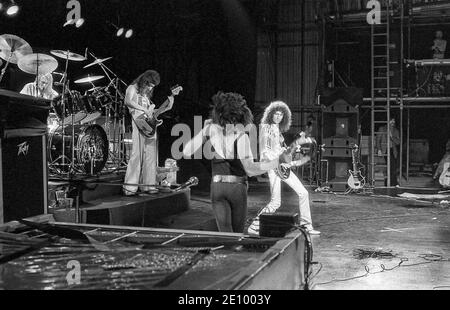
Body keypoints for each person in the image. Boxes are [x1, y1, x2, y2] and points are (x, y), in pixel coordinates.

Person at [182, 91, 278, 233]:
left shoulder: (210, 130)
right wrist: (275, 163)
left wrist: (203, 131)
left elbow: (186, 152)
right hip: (236, 188)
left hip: (217, 187)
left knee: (225, 233)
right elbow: (250, 170)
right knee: (237, 234)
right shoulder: (241, 136)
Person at [247, 100, 320, 236]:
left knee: (302, 193)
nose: (278, 117)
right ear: (270, 114)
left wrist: (291, 148)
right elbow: (265, 151)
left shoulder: (277, 130)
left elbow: (280, 149)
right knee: (276, 202)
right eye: (276, 114)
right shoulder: (266, 127)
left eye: (281, 115)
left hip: (281, 166)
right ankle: (254, 226)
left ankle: (306, 226)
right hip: (274, 166)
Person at [122, 70, 179, 195]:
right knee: (137, 155)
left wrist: (169, 104)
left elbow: (152, 112)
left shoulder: (147, 97)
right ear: (144, 81)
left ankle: (148, 185)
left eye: (153, 86)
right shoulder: (132, 88)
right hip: (138, 123)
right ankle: (130, 187)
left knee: (151, 156)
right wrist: (144, 109)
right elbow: (128, 101)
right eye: (149, 85)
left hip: (150, 125)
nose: (150, 88)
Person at [376, 117, 400, 187]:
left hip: (393, 150)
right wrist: (379, 149)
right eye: (391, 120)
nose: (393, 122)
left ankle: (391, 183)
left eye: (394, 120)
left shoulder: (395, 130)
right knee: (389, 166)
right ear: (388, 121)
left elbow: (398, 142)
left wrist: (392, 137)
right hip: (385, 149)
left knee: (393, 167)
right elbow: (378, 140)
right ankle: (393, 183)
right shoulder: (382, 128)